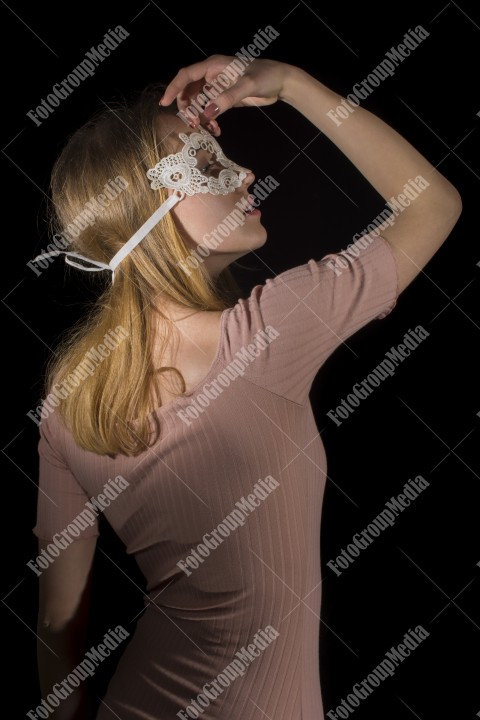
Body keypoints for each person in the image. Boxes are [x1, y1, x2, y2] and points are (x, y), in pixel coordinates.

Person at [31, 54, 461, 720]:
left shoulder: (70, 400)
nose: (247, 174)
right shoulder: (270, 332)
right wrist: (290, 82)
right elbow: (434, 202)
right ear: (154, 208)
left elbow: (59, 622)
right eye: (205, 164)